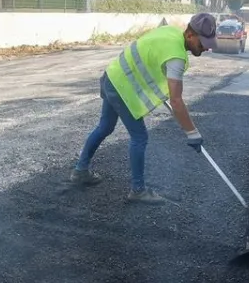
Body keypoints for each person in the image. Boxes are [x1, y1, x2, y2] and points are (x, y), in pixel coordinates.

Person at [70, 12, 220, 204]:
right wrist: (192, 132)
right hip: (123, 88)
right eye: (203, 43)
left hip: (111, 77)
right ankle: (138, 191)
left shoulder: (170, 31)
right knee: (139, 137)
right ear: (190, 35)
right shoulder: (176, 57)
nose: (206, 48)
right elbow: (176, 101)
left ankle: (80, 170)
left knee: (105, 127)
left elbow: (153, 46)